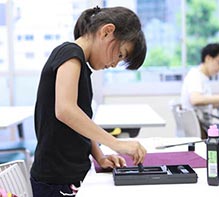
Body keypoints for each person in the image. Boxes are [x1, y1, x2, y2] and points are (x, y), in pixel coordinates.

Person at [30, 6, 147, 197]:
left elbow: (80, 120)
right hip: (56, 178)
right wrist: (116, 144)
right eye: (119, 55)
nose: (114, 64)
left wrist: (100, 156)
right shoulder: (70, 54)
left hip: (72, 173)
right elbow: (65, 110)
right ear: (107, 31)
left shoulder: (80, 64)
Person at [181, 42, 219, 112]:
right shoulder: (195, 76)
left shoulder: (203, 77)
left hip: (202, 121)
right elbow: (196, 99)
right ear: (208, 58)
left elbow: (206, 105)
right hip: (200, 122)